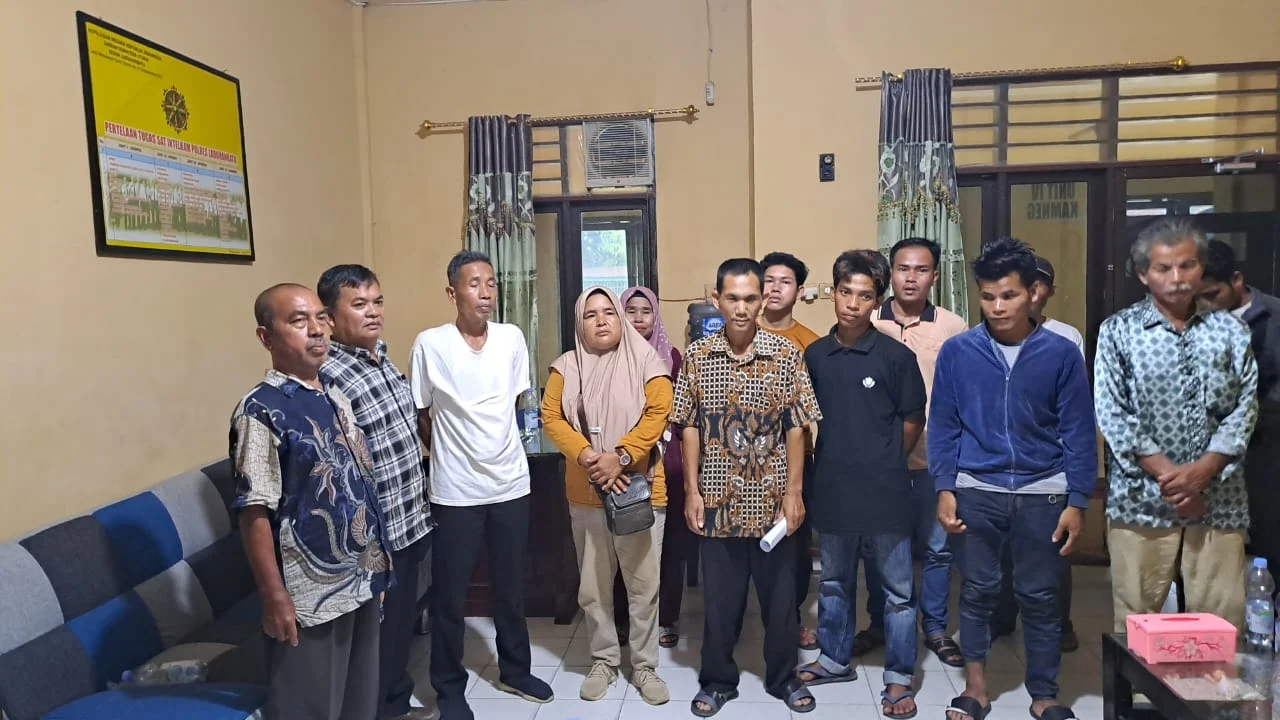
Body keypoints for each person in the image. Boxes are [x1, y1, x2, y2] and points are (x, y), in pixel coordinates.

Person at [930, 237, 1096, 720]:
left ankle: (1045, 696)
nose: (998, 307)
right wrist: (945, 488)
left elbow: (1079, 430)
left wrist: (1078, 499)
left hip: (1045, 493)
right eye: (988, 296)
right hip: (976, 490)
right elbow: (944, 425)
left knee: (1041, 597)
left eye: (1009, 295)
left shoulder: (1060, 353)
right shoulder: (959, 352)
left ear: (1033, 293)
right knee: (977, 592)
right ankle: (976, 690)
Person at [230, 283, 392, 720]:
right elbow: (254, 511)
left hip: (360, 577)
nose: (317, 330)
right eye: (299, 321)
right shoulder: (261, 411)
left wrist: (376, 566)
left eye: (321, 318)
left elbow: (359, 483)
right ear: (266, 337)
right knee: (312, 707)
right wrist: (273, 596)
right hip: (309, 595)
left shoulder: (334, 394)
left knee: (360, 702)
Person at [672, 258, 822, 717]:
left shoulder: (786, 354)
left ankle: (783, 678)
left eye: (750, 298)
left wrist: (794, 493)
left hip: (773, 501)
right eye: (732, 298)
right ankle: (718, 681)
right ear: (716, 300)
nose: (741, 308)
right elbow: (689, 425)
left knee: (781, 602)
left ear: (762, 301)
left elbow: (797, 426)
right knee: (721, 603)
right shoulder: (698, 356)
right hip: (717, 500)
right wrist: (692, 492)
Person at [410, 251, 554, 720]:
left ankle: (516, 670)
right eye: (474, 284)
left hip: (510, 484)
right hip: (455, 492)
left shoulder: (512, 338)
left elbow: (513, 405)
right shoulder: (431, 344)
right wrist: (451, 455)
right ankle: (449, 687)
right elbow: (422, 414)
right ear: (452, 292)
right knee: (450, 596)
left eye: (491, 283)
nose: (485, 292)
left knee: (510, 588)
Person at [1096, 218, 1257, 635]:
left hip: (1218, 498)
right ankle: (1139, 683)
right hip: (1140, 500)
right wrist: (1175, 480)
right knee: (1137, 622)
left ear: (1201, 269)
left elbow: (1245, 407)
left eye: (1187, 266)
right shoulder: (1118, 332)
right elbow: (1113, 412)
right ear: (1143, 274)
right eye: (1164, 268)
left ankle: (1214, 684)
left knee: (1220, 624)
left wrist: (1202, 474)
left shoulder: (1231, 330)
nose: (1177, 278)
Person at [798, 250, 927, 719]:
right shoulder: (815, 355)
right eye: (845, 292)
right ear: (833, 293)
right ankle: (834, 659)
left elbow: (913, 418)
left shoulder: (896, 356)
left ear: (878, 301)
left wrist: (886, 459)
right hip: (833, 485)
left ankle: (899, 677)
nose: (853, 303)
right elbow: (805, 420)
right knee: (833, 581)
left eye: (865, 295)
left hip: (886, 489)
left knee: (897, 591)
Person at [317, 265, 438, 720]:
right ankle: (379, 709)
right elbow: (339, 470)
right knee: (375, 639)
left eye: (377, 302)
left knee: (398, 630)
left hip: (409, 521)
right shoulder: (329, 376)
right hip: (375, 535)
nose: (373, 313)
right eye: (359, 304)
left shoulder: (382, 360)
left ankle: (394, 703)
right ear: (330, 317)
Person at [542, 287, 673, 705]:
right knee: (594, 587)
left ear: (620, 318)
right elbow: (551, 417)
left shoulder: (647, 362)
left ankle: (645, 666)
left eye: (609, 312)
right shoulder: (566, 367)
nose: (601, 321)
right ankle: (603, 660)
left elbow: (659, 412)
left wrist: (621, 456)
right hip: (586, 492)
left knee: (643, 585)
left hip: (639, 488)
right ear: (579, 323)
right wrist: (588, 456)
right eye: (590, 314)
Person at [869, 236, 969, 667]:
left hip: (935, 459)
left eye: (921, 270)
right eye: (903, 269)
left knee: (937, 549)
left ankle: (935, 627)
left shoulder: (952, 327)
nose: (911, 278)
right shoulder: (870, 320)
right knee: (878, 549)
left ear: (935, 276)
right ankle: (880, 624)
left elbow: (963, 394)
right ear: (890, 273)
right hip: (879, 461)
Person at [991, 255, 1086, 653]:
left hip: (1049, 464)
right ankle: (1002, 618)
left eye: (1037, 284)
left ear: (1047, 291)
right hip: (998, 463)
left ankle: (1059, 625)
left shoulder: (1066, 338)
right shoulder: (989, 334)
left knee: (1051, 552)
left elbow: (1073, 407)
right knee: (1001, 552)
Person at [1198, 239, 1280, 575]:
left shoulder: (1273, 317)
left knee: (1270, 541)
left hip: (1266, 449)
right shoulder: (1197, 322)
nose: (1206, 304)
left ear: (1236, 279)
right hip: (1210, 455)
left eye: (1212, 294)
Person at [757, 251, 823, 651]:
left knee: (795, 546)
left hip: (796, 462)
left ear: (799, 291)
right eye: (768, 280)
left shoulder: (811, 345)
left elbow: (818, 409)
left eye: (785, 282)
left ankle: (791, 617)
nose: (775, 288)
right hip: (745, 463)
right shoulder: (741, 336)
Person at [621, 286, 688, 648]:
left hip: (667, 457)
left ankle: (665, 618)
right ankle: (626, 618)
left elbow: (679, 410)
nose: (638, 318)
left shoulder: (672, 356)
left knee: (670, 543)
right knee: (626, 537)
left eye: (646, 311)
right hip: (625, 457)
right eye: (630, 310)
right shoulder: (610, 355)